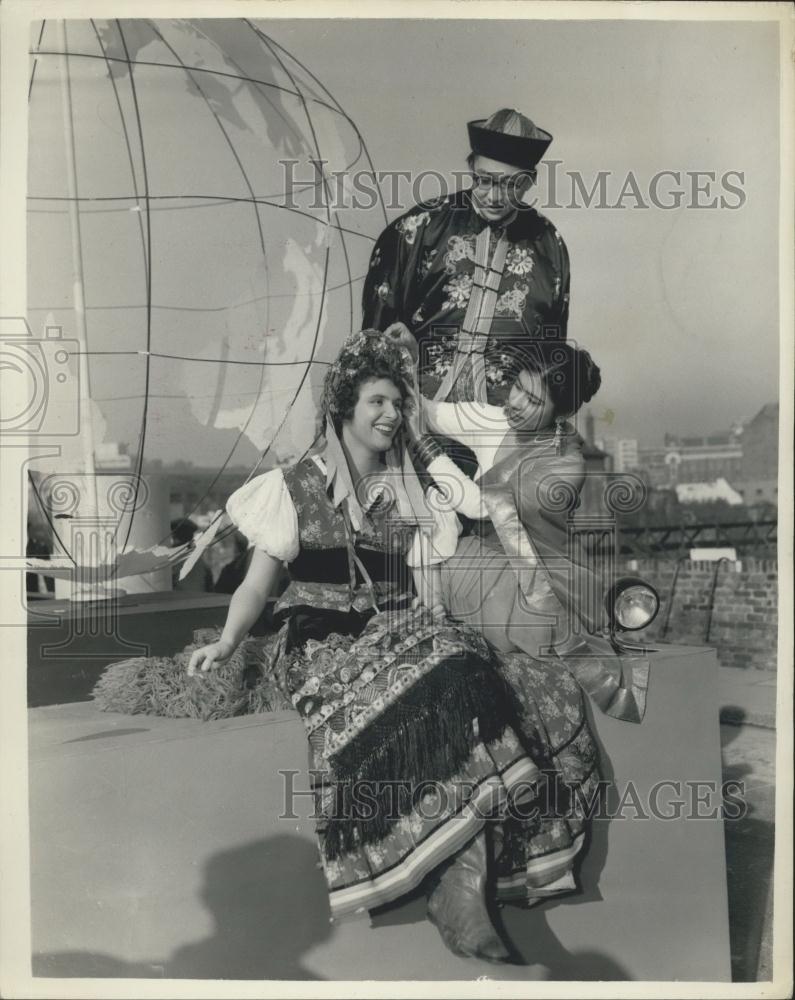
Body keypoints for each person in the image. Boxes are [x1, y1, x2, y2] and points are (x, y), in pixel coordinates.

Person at [184, 327, 599, 962]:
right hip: (322, 641)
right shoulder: (292, 487)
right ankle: (455, 888)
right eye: (377, 401)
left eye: (398, 403)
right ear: (344, 408)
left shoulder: (412, 487)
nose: (390, 414)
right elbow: (255, 586)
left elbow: (434, 574)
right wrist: (228, 639)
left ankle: (462, 881)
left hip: (399, 628)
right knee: (444, 668)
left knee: (496, 674)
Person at [407, 338, 650, 724]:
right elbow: (430, 412)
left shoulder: (566, 464)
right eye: (517, 386)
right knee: (429, 546)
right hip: (485, 555)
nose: (516, 402)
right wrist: (403, 366)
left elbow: (475, 505)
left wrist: (421, 444)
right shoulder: (497, 417)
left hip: (541, 570)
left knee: (537, 626)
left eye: (533, 401)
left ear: (561, 412)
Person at [363, 108, 570, 410]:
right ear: (471, 166)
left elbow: (553, 359)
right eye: (484, 180)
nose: (494, 196)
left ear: (529, 181)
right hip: (417, 417)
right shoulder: (419, 228)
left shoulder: (549, 246)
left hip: (505, 429)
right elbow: (373, 338)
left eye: (511, 185)